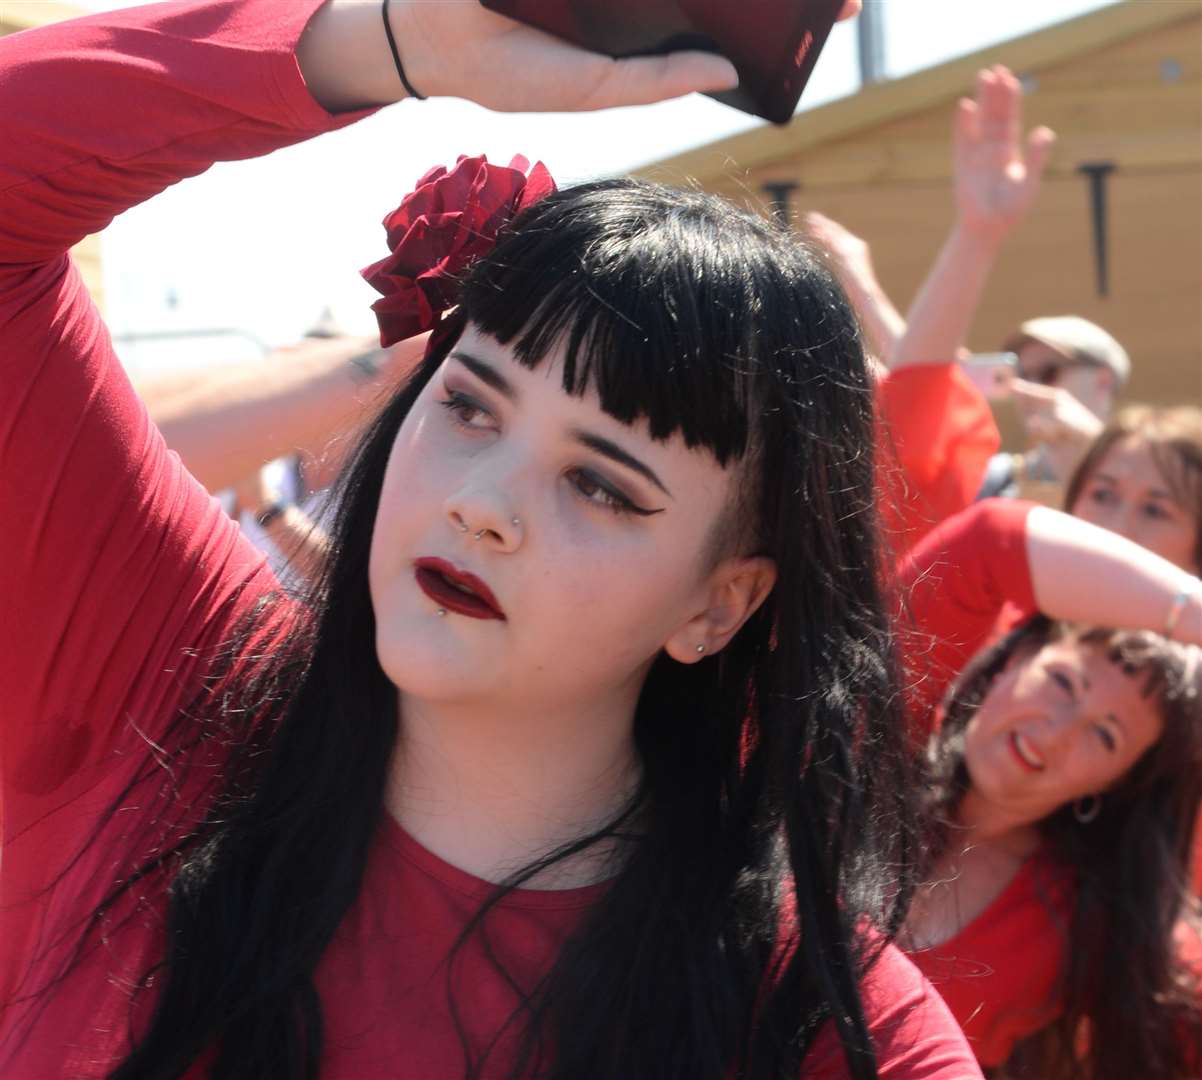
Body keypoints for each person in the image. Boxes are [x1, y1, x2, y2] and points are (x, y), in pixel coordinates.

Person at [0, 1, 982, 1078]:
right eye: (469, 406)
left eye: (601, 485)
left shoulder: (826, 1024)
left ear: (720, 603)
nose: (484, 504)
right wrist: (397, 38)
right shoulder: (169, 671)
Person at [892, 496, 1202, 1075]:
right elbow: (991, 539)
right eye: (1062, 682)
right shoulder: (870, 736)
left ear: (1116, 782)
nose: (1056, 731)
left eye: (1105, 735)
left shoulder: (1083, 916)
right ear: (1011, 660)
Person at [885, 64, 1132, 506]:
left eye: (1049, 372)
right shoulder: (995, 484)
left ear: (1101, 383)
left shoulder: (1166, 480)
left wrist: (1095, 456)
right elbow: (915, 394)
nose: (1027, 386)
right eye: (1021, 370)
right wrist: (977, 234)